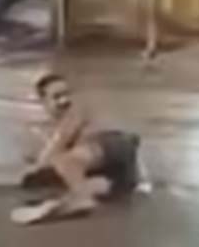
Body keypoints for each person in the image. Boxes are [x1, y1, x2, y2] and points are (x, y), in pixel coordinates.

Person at [22, 73, 139, 215]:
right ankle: (90, 191)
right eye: (57, 97)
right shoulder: (66, 119)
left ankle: (82, 199)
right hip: (118, 164)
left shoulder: (75, 112)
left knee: (65, 162)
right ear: (44, 101)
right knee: (82, 178)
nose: (64, 100)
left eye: (66, 94)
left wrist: (35, 168)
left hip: (110, 142)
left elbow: (57, 145)